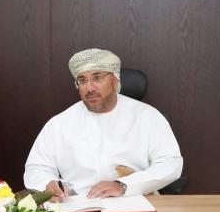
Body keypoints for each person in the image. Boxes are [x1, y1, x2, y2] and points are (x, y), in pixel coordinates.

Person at [24, 48, 183, 201]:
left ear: (114, 80)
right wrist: (48, 183)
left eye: (97, 77)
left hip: (136, 199)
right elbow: (37, 167)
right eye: (82, 80)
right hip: (78, 205)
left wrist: (124, 185)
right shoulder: (59, 124)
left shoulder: (147, 117)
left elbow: (170, 164)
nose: (89, 88)